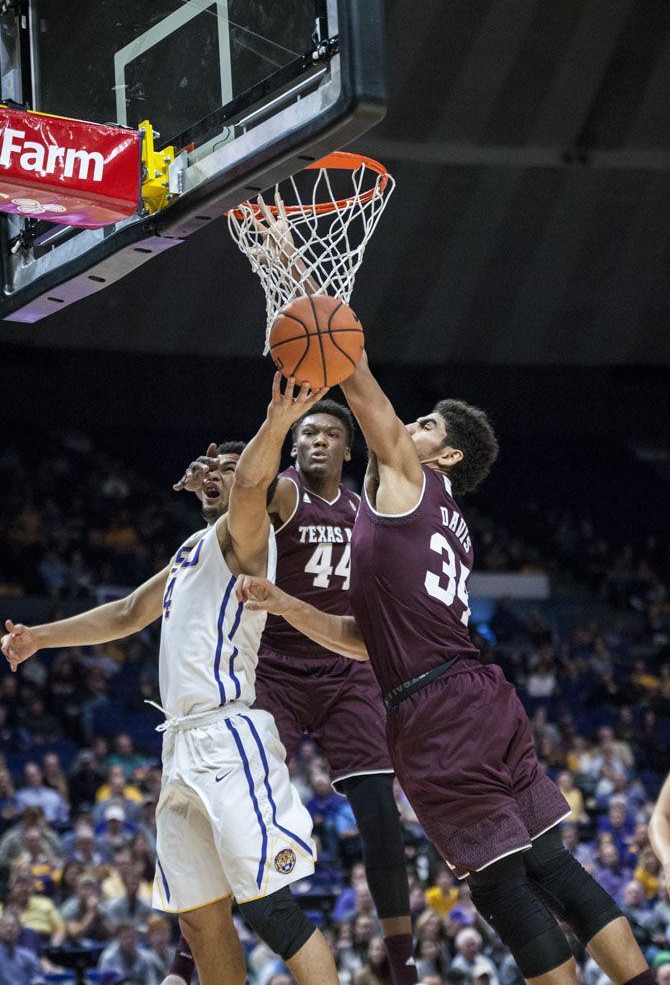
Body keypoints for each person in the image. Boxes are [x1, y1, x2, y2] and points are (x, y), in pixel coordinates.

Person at [236, 351, 655, 985]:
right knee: (554, 867)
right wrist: (287, 603)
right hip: (478, 694)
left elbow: (366, 397)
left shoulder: (411, 478)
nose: (412, 426)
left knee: (504, 891)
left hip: (437, 712)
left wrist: (333, 328)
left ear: (447, 455)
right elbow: (363, 640)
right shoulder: (447, 517)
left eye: (428, 423)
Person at [2, 375, 339, 985]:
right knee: (198, 918)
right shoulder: (192, 548)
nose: (221, 476)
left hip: (230, 737)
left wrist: (276, 419)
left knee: (271, 910)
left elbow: (252, 484)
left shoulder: (250, 536)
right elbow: (129, 613)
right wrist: (38, 637)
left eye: (232, 470)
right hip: (180, 745)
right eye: (215, 469)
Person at [171, 398, 416, 985]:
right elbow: (239, 521)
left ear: (347, 449)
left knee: (381, 812)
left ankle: (403, 968)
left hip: (343, 671)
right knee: (230, 806)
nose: (317, 441)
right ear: (293, 445)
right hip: (272, 669)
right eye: (307, 433)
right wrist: (217, 492)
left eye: (330, 433)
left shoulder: (363, 510)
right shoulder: (282, 492)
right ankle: (186, 960)